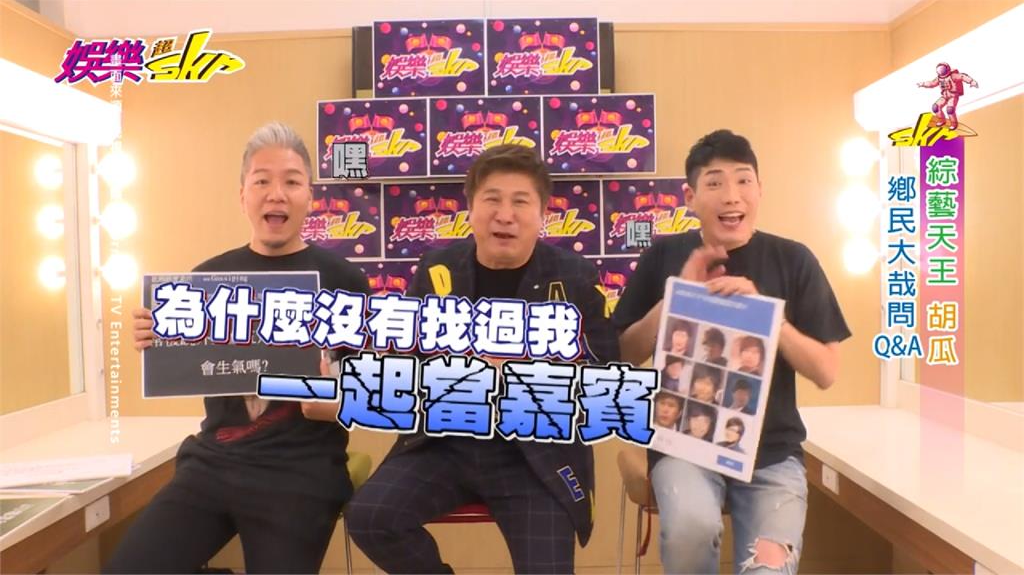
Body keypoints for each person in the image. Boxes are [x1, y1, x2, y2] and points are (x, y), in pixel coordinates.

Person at [340, 144, 619, 574]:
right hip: (444, 445)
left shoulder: (575, 276)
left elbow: (604, 372)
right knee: (370, 517)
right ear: (470, 209)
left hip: (535, 457)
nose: (504, 215)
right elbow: (405, 361)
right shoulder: (438, 269)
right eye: (492, 199)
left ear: (542, 214)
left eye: (520, 202)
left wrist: (522, 377)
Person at [105, 123, 371, 574]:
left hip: (301, 469)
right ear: (242, 195)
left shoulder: (344, 281)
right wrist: (153, 338)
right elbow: (183, 365)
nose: (276, 194)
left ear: (310, 196)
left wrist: (334, 402)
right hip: (213, 462)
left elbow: (369, 393)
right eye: (261, 181)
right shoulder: (204, 280)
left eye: (291, 182)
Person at [613, 129, 850, 574]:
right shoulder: (663, 255)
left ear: (759, 190)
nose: (731, 195)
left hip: (772, 454)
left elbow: (826, 370)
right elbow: (622, 355)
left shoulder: (794, 259)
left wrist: (770, 319)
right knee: (691, 528)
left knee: (768, 566)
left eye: (743, 180)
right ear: (690, 196)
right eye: (715, 182)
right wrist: (675, 299)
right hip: (683, 446)